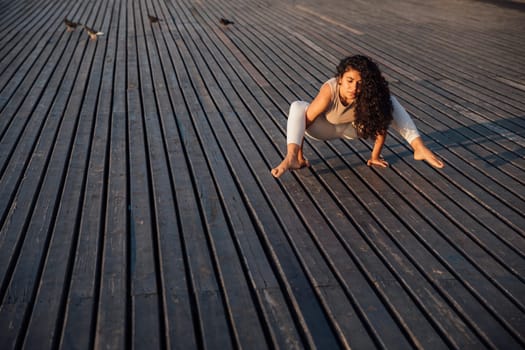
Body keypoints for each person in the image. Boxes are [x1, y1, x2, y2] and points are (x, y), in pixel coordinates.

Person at [271, 55, 444, 178]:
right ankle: (290, 157)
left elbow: (381, 126)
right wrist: (299, 157)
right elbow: (305, 122)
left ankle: (418, 147)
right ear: (340, 79)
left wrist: (375, 157)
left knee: (389, 101)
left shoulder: (369, 95)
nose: (354, 87)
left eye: (360, 83)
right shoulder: (329, 90)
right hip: (322, 128)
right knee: (298, 106)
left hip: (352, 129)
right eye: (350, 81)